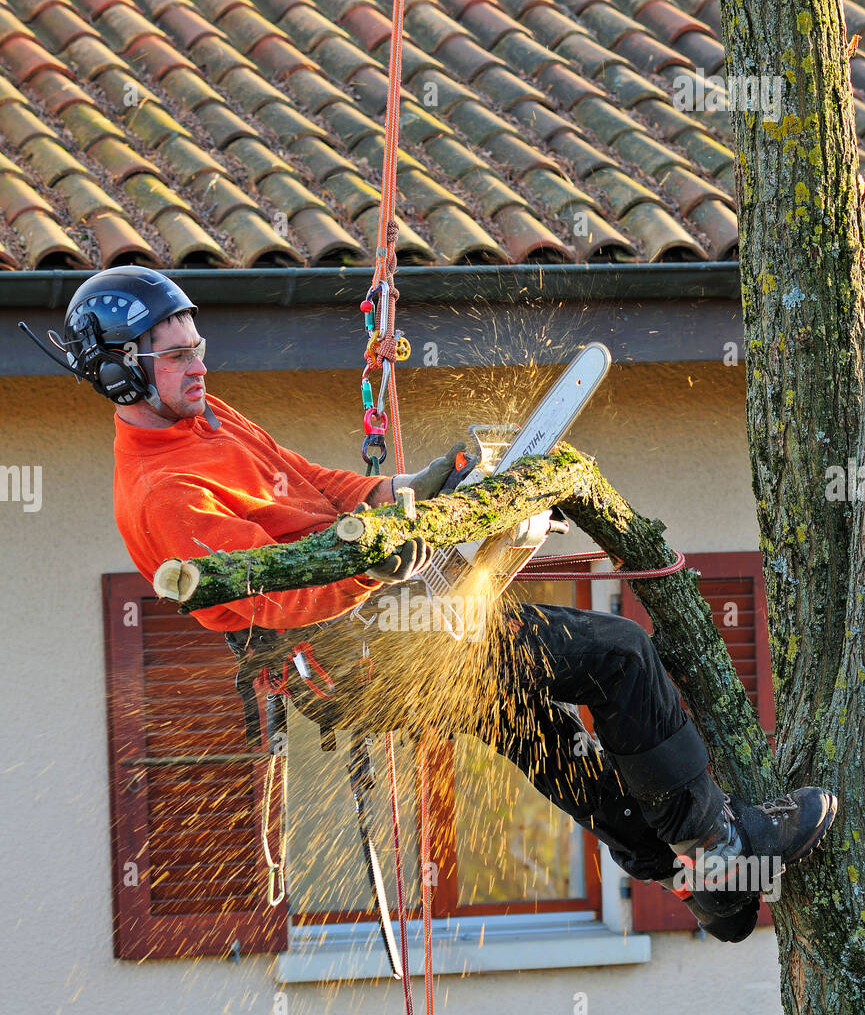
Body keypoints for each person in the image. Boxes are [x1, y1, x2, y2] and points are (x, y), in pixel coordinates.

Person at [64, 267, 837, 943]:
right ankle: (720, 848)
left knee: (534, 729)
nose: (198, 364)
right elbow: (285, 593)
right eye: (175, 355)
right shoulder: (165, 493)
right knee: (616, 654)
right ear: (123, 372)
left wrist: (410, 492)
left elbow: (315, 487)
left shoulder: (208, 417)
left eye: (197, 345)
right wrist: (383, 565)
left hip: (372, 616)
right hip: (351, 653)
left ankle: (686, 877)